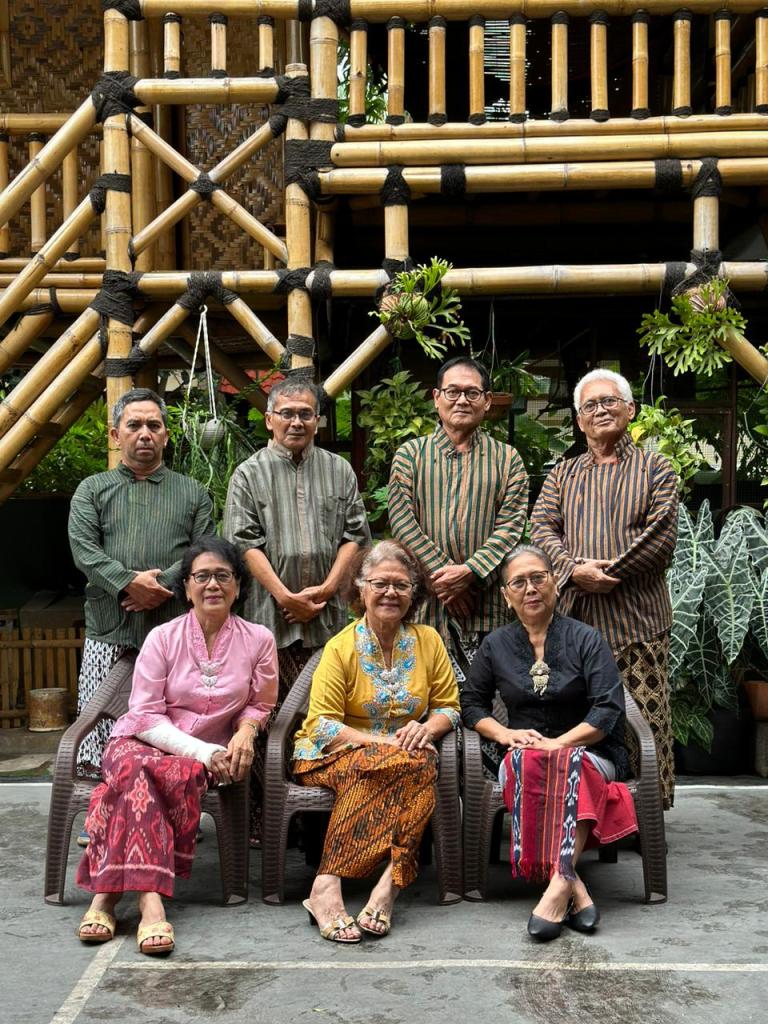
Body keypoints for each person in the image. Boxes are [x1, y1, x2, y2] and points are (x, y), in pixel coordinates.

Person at [75, 536, 278, 955]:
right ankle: (150, 902)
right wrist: (204, 752)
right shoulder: (162, 637)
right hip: (143, 742)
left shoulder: (259, 639)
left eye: (223, 576)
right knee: (138, 769)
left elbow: (261, 703)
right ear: (186, 586)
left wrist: (246, 731)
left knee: (140, 781)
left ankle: (106, 897)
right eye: (201, 576)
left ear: (239, 585)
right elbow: (145, 715)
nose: (212, 585)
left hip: (210, 752)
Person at [461, 545, 638, 941]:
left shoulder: (586, 638)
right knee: (527, 762)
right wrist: (505, 734)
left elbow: (608, 708)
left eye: (538, 577)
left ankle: (557, 887)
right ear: (506, 596)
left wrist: (560, 744)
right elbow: (471, 704)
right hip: (523, 753)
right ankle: (573, 884)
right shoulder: (495, 645)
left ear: (555, 583)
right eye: (519, 582)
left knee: (572, 764)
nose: (530, 588)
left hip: (591, 751)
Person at [291, 541, 460, 943]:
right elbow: (322, 725)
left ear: (414, 593)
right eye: (380, 583)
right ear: (361, 588)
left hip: (404, 757)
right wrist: (384, 744)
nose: (390, 593)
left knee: (417, 763)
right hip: (329, 755)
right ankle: (348, 885)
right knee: (402, 766)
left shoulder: (428, 640)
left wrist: (427, 729)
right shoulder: (340, 646)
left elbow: (449, 706)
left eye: (401, 585)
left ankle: (375, 886)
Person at [224, 378, 370, 841]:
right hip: (270, 619)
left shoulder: (339, 470)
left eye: (306, 413)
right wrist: (285, 596)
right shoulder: (248, 474)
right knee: (268, 718)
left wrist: (326, 590)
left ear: (318, 421)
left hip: (327, 620)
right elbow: (242, 543)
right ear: (269, 419)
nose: (296, 421)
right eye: (286, 413)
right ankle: (264, 819)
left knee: (322, 716)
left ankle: (315, 819)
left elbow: (355, 536)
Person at [530, 369, 678, 809]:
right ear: (579, 420)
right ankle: (584, 812)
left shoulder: (655, 467)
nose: (600, 410)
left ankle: (647, 815)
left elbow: (661, 534)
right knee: (578, 721)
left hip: (638, 620)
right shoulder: (563, 474)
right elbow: (541, 529)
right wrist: (574, 571)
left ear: (630, 409)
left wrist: (608, 572)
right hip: (574, 624)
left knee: (645, 721)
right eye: (590, 405)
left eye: (609, 401)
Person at [68, 388, 214, 795]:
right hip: (110, 627)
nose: (144, 433)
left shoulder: (193, 492)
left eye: (154, 425)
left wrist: (161, 585)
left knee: (173, 726)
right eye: (134, 425)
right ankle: (103, 806)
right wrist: (128, 583)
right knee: (100, 727)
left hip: (174, 630)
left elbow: (203, 550)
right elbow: (83, 550)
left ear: (166, 435)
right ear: (116, 435)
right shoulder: (92, 490)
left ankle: (169, 805)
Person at [388, 356, 528, 775]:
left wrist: (469, 574)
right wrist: (445, 582)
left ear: (487, 401)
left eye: (472, 392)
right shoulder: (410, 455)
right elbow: (402, 520)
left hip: (486, 608)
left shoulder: (507, 460)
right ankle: (433, 796)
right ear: (436, 398)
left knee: (490, 705)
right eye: (452, 391)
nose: (461, 400)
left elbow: (511, 525)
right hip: (427, 611)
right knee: (426, 705)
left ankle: (490, 797)